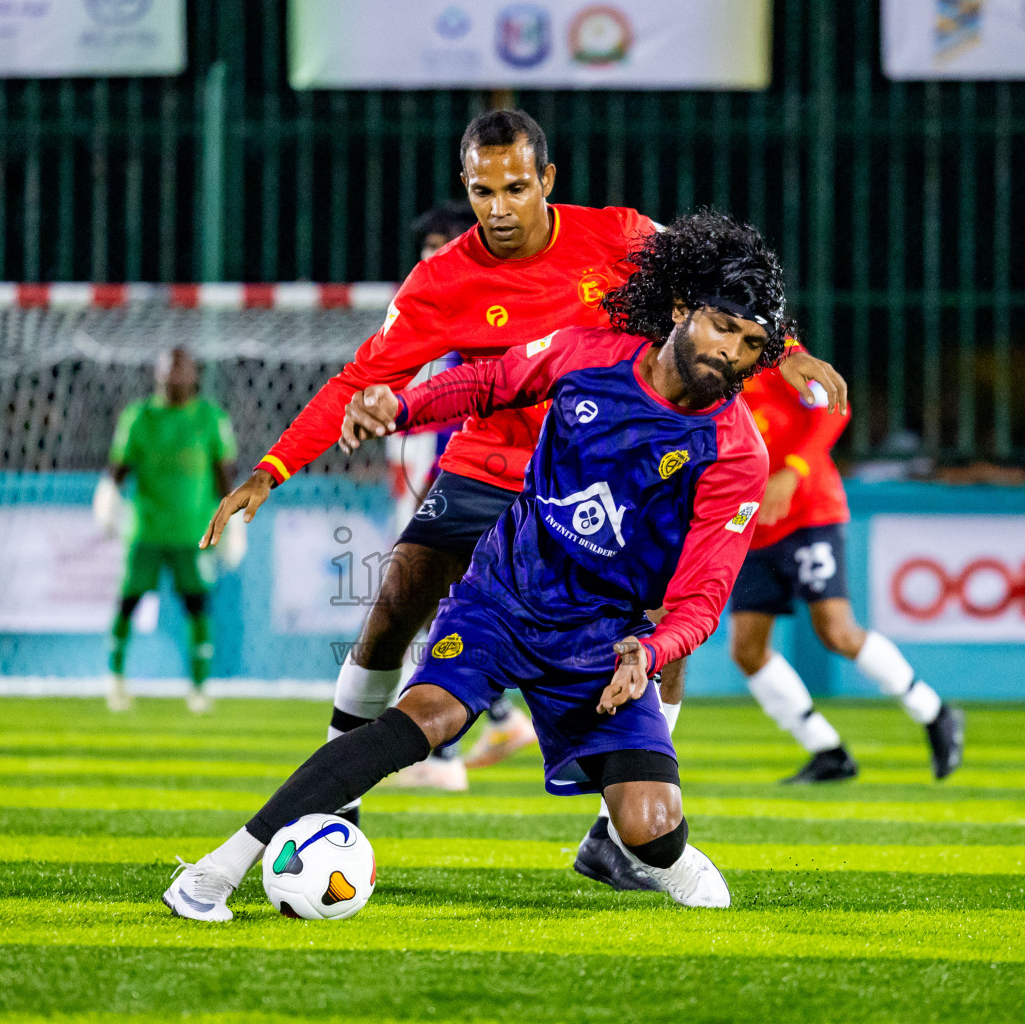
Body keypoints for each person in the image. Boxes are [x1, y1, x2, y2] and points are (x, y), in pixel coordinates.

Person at [201, 109, 845, 890]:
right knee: (397, 597)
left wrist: (796, 357)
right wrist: (272, 468)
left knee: (660, 624)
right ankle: (342, 795)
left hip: (618, 469)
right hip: (494, 460)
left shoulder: (621, 235)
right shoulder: (442, 279)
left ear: (546, 179)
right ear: (465, 188)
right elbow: (360, 381)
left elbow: (730, 298)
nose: (499, 207)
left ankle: (616, 832)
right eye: (481, 190)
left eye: (514, 187)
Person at [728, 356, 964, 781]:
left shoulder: (773, 357)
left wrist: (793, 471)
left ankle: (934, 712)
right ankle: (827, 750)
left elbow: (834, 408)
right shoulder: (702, 373)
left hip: (808, 513)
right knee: (747, 648)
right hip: (753, 524)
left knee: (836, 630)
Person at [386, 201, 538, 792]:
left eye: (441, 245)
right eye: (425, 250)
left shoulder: (498, 310)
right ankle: (497, 721)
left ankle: (445, 752)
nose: (431, 258)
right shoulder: (443, 307)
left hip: (488, 481)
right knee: (446, 608)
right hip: (459, 474)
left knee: (439, 608)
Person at [97, 348, 236, 714]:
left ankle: (200, 686)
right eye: (166, 369)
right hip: (145, 529)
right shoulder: (138, 417)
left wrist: (232, 521)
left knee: (198, 606)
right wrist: (108, 497)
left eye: (179, 369)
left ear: (194, 374)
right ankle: (115, 679)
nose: (172, 376)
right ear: (156, 374)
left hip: (194, 532)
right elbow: (119, 468)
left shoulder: (210, 417)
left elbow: (224, 473)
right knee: (127, 603)